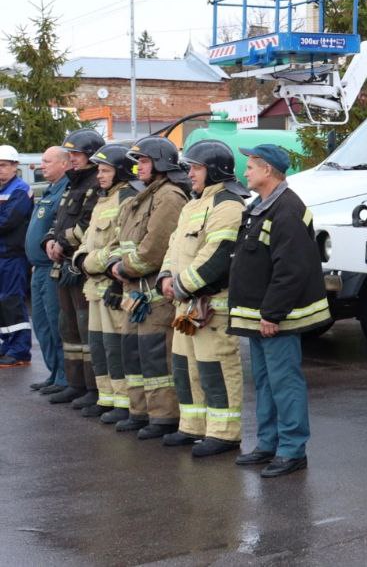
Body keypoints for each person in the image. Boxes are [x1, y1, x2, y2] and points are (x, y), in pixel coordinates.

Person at [227, 144, 331, 478]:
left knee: (284, 382)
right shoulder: (259, 206)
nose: (246, 172)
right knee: (265, 381)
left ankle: (291, 450)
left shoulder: (287, 208)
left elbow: (291, 269)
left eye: (251, 166)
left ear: (268, 169)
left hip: (276, 318)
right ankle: (268, 444)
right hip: (259, 316)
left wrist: (272, 313)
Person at [158, 140, 247, 457]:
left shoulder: (229, 205)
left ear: (213, 170)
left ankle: (224, 434)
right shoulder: (192, 205)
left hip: (212, 307)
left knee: (216, 369)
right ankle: (193, 427)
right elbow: (172, 248)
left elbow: (217, 258)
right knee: (185, 368)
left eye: (195, 168)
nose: (190, 174)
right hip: (187, 306)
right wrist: (165, 278)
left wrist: (179, 285)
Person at [106, 137, 189, 438]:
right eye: (137, 161)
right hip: (133, 294)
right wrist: (114, 263)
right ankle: (140, 411)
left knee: (156, 356)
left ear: (161, 163)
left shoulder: (169, 197)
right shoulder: (138, 199)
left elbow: (154, 249)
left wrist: (122, 268)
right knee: (133, 352)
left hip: (155, 297)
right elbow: (118, 241)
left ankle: (164, 416)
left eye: (144, 161)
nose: (138, 166)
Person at [74, 144, 140, 421]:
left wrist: (88, 263)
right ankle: (107, 397)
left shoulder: (126, 197)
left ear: (121, 171)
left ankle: (123, 402)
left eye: (105, 171)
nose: (99, 176)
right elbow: (86, 240)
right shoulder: (104, 198)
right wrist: (79, 259)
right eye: (99, 171)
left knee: (116, 347)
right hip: (94, 288)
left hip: (112, 286)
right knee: (99, 345)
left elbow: (123, 245)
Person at [41, 128, 104, 404]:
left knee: (84, 325)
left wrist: (61, 245)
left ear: (91, 155)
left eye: (77, 154)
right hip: (62, 264)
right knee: (68, 327)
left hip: (79, 267)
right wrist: (48, 241)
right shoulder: (72, 183)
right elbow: (59, 220)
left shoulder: (94, 184)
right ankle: (75, 383)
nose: (73, 159)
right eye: (71, 154)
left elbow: (87, 225)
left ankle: (92, 388)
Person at [27, 146, 71, 392]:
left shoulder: (65, 190)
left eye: (47, 161)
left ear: (64, 164)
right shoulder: (50, 190)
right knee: (42, 325)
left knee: (56, 324)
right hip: (39, 268)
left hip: (52, 268)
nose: (42, 165)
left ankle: (65, 376)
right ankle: (54, 373)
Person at [0, 145, 35, 367]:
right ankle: (7, 345)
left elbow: (7, 221)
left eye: (3, 166)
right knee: (2, 302)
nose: (0, 170)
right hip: (2, 255)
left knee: (12, 300)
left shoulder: (20, 190)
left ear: (14, 166)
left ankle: (20, 350)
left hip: (13, 256)